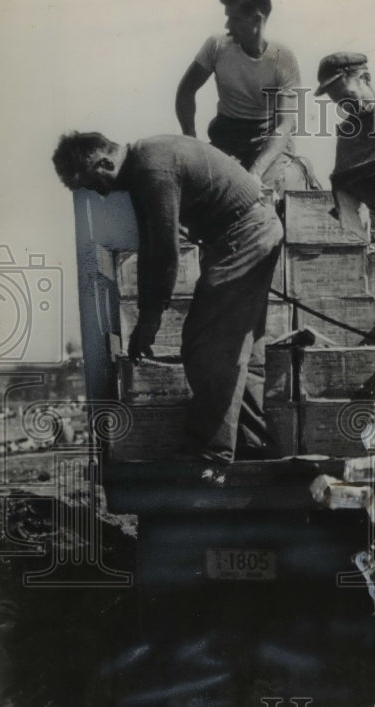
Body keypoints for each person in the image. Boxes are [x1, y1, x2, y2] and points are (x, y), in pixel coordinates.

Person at [52, 131, 284, 463]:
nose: (100, 194)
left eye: (94, 183)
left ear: (104, 162)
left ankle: (210, 453)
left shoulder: (151, 171)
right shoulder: (142, 164)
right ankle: (255, 445)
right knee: (240, 344)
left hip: (245, 233)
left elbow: (164, 252)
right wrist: (148, 317)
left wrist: (149, 320)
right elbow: (150, 245)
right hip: (245, 230)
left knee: (206, 344)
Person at [175, 0, 316, 195]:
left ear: (257, 19)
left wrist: (256, 172)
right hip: (227, 135)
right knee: (206, 189)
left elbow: (283, 127)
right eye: (227, 17)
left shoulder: (282, 59)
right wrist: (191, 139)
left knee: (266, 192)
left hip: (268, 138)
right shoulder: (217, 46)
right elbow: (186, 91)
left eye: (235, 19)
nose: (227, 25)